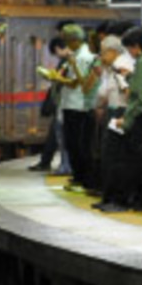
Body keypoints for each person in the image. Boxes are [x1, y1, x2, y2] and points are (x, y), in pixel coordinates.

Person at [115, 27, 142, 212]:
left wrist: (127, 119)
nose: (130, 53)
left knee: (139, 161)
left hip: (141, 117)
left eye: (129, 49)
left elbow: (139, 96)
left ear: (136, 46)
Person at [52, 24, 98, 192]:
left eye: (67, 41)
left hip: (78, 105)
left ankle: (82, 178)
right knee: (72, 144)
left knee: (77, 144)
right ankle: (78, 176)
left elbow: (77, 83)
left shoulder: (82, 57)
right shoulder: (76, 55)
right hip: (72, 104)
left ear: (75, 41)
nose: (66, 45)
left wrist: (57, 78)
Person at [91, 36, 133, 212]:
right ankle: (109, 197)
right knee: (108, 157)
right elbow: (104, 92)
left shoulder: (121, 66)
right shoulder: (110, 68)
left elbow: (129, 92)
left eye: (103, 52)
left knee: (117, 158)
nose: (101, 56)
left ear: (113, 51)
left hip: (120, 113)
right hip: (112, 111)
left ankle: (118, 199)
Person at [30, 37, 71, 173]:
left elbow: (66, 81)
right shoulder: (67, 61)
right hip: (62, 104)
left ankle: (63, 166)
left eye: (56, 52)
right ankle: (48, 162)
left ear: (58, 48)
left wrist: (53, 77)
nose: (57, 55)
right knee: (55, 135)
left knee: (61, 137)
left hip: (65, 104)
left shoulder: (69, 61)